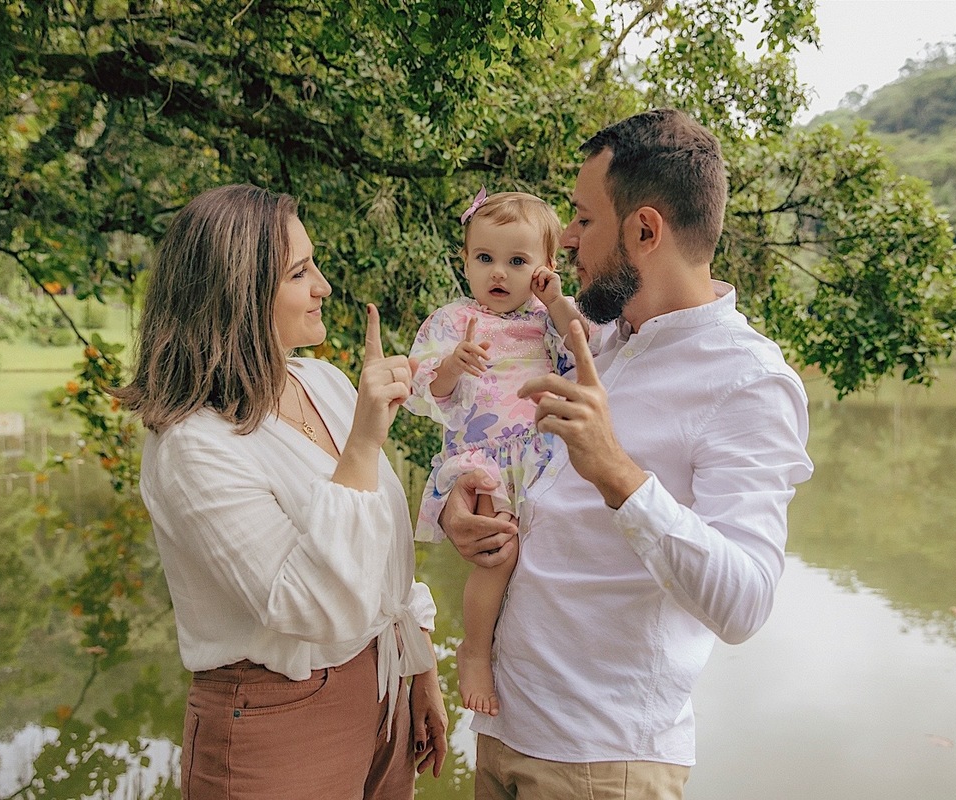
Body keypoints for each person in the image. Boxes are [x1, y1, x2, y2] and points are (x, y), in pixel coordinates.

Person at [438, 110, 815, 799]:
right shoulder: (596, 338)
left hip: (600, 764)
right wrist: (464, 516)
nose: (566, 239)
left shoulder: (748, 381)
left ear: (644, 231)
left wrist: (617, 473)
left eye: (583, 219)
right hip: (503, 730)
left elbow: (745, 603)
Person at [112, 184, 449, 800]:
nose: (324, 286)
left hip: (383, 687)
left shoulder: (322, 381)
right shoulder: (193, 445)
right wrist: (362, 445)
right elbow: (309, 607)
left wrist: (418, 666)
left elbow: (380, 550)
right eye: (300, 272)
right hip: (279, 714)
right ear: (238, 294)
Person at [403, 189, 590, 717]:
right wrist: (453, 366)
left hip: (540, 454)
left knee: (542, 552)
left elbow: (585, 349)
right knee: (498, 553)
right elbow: (424, 391)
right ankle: (475, 651)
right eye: (484, 258)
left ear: (545, 269)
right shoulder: (452, 321)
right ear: (465, 260)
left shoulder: (546, 319)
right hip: (480, 457)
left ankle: (545, 658)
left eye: (518, 262)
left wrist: (555, 301)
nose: (499, 273)